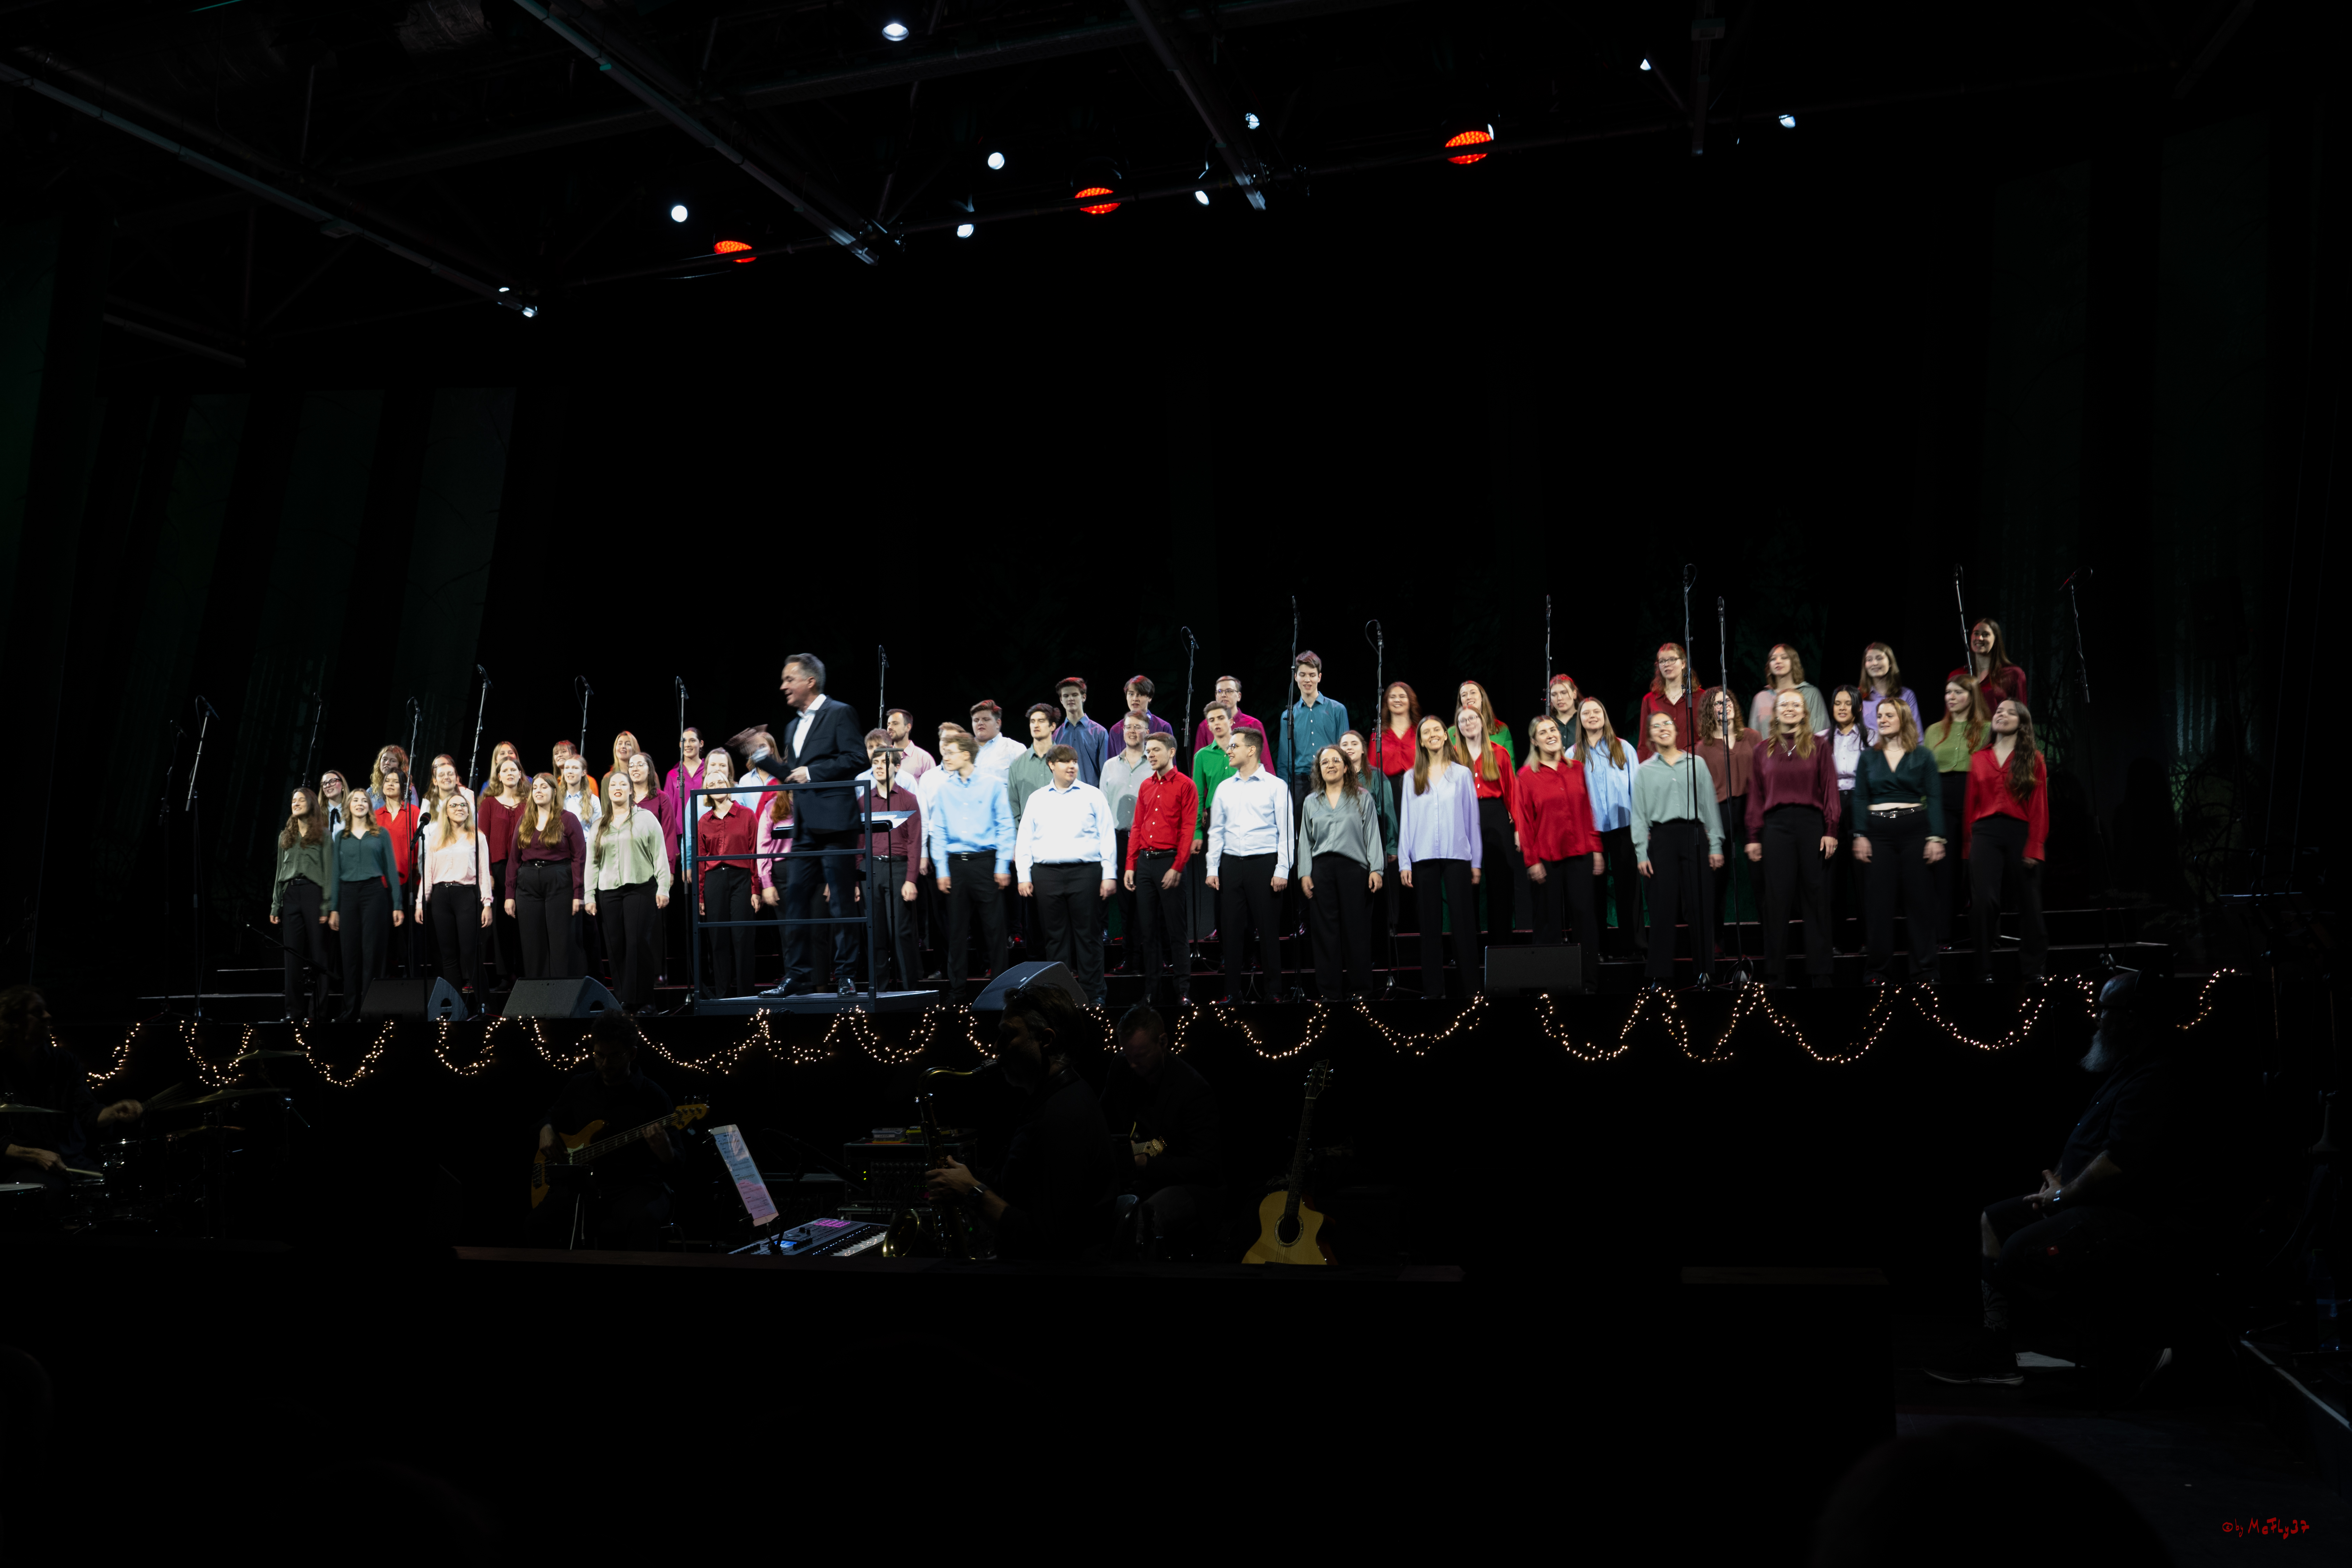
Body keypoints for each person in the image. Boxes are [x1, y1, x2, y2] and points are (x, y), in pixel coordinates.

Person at [1927, 971, 2178, 1389]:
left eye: (2104, 1009)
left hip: (2123, 1213)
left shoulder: (2156, 1074)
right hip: (2081, 1198)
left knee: (2018, 1255)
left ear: (2132, 1017)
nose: (2097, 1018)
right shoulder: (2127, 1068)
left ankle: (2128, 1350)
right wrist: (2059, 1182)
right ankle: (1996, 1350)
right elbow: (2095, 1143)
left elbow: (2120, 1161)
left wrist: (2063, 1194)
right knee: (1995, 1219)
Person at [920, 983, 1122, 1261]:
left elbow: (1048, 1242)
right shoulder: (1056, 1099)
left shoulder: (1061, 1118)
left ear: (1045, 1040)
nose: (996, 1046)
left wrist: (972, 1192)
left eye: (1008, 1035)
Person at [534, 1015, 678, 1251]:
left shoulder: (653, 1097)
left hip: (634, 1185)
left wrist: (666, 1152)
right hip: (583, 1185)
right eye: (599, 1056)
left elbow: (677, 1163)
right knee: (537, 1224)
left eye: (614, 1057)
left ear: (632, 1054)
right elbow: (549, 1116)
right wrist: (546, 1128)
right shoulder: (580, 1086)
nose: (604, 1064)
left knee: (644, 1220)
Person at [2, 987, 142, 1222]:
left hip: (72, 1162)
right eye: (38, 1012)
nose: (48, 1016)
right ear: (14, 1021)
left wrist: (113, 1112)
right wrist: (32, 1154)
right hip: (20, 1167)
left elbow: (87, 1111)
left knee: (124, 1188)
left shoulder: (65, 1062)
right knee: (49, 1195)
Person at [772, 653, 866, 998]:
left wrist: (813, 772)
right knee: (795, 898)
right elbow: (793, 775)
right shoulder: (792, 726)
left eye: (789, 679)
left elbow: (857, 758)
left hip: (837, 824)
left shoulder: (839, 712)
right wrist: (760, 757)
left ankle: (845, 975)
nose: (783, 686)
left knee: (841, 901)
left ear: (809, 681)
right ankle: (796, 975)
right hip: (805, 828)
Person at [1098, 1004, 1222, 1245]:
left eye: (1140, 1056)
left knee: (1142, 1219)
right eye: (1128, 1056)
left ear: (1163, 1042)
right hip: (1140, 1175)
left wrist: (1146, 1162)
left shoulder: (1193, 1090)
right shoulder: (1122, 1067)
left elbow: (1205, 1166)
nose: (1132, 1065)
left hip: (1187, 1184)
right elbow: (1102, 1117)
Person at [1745, 691, 1840, 988]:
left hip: (1812, 825)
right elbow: (1756, 796)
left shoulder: (1819, 746)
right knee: (1776, 900)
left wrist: (1831, 829)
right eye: (1783, 704)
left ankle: (1820, 973)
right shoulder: (1762, 751)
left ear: (1804, 712)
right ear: (1775, 713)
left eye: (1795, 705)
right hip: (1776, 828)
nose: (1789, 708)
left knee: (1816, 898)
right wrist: (1753, 835)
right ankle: (1775, 975)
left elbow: (1830, 790)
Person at [1852, 695, 1947, 986]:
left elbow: (1933, 796)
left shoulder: (1922, 756)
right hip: (1878, 833)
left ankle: (1925, 971)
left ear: (1903, 718)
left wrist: (1936, 836)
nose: (1882, 719)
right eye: (1879, 715)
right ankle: (1878, 972)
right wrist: (1860, 834)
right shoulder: (1869, 756)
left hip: (1915, 832)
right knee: (1879, 905)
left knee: (1919, 902)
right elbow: (1859, 796)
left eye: (1889, 715)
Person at [1015, 745, 1119, 1006]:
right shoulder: (1037, 798)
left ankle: (1094, 994)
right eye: (1064, 762)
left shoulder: (1092, 795)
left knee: (1089, 936)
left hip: (1085, 872)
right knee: (1055, 938)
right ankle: (1059, 996)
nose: (1072, 766)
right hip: (1046, 874)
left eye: (1074, 761)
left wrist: (1109, 874)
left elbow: (1108, 836)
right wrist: (1023, 876)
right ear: (1052, 765)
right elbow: (1024, 838)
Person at [1630, 711, 1725, 989]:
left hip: (1694, 835)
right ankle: (1660, 975)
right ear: (1650, 737)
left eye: (1667, 724)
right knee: (1661, 907)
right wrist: (1640, 852)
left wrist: (1716, 843)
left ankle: (1705, 972)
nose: (1662, 729)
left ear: (1676, 731)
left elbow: (1710, 806)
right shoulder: (1644, 771)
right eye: (1656, 726)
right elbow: (1638, 815)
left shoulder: (1696, 764)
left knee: (1700, 907)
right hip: (1660, 839)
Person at [924, 731, 1015, 1004]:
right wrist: (941, 869)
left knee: (995, 931)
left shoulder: (993, 785)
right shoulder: (944, 788)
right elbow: (937, 830)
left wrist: (1002, 864)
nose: (945, 757)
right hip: (955, 865)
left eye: (950, 752)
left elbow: (1005, 826)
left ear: (966, 754)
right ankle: (956, 992)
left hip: (986, 863)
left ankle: (1001, 993)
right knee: (956, 932)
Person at [1205, 730, 1295, 1005]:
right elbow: (1217, 830)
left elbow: (1286, 831)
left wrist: (1283, 869)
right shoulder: (1224, 787)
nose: (1229, 750)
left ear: (1252, 750)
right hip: (1232, 865)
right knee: (1231, 931)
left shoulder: (1275, 785)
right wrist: (1212, 867)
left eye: (1234, 746)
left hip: (1264, 864)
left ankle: (1273, 992)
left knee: (1268, 931)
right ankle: (1232, 992)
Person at [1964, 699, 2049, 983]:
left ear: (2022, 723)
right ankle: (1983, 968)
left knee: (2029, 901)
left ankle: (2033, 968)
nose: (2002, 714)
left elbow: (2039, 806)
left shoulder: (2033, 758)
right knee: (1983, 902)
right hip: (1985, 833)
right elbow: (1970, 805)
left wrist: (2034, 845)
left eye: (2010, 712)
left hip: (2020, 831)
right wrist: (1968, 845)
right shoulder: (1978, 758)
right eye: (1999, 710)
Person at [1398, 715, 1481, 1001]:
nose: (1432, 734)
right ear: (1420, 740)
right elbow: (1406, 823)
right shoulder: (1412, 777)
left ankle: (1471, 989)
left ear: (1446, 736)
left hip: (1457, 855)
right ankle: (1434, 991)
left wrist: (1476, 861)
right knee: (1430, 925)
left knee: (1462, 923)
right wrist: (1404, 862)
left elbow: (1472, 821)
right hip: (1422, 857)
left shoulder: (1461, 774)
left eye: (1437, 730)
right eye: (1426, 732)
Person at [1517, 716, 1603, 978]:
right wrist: (1532, 861)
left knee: (1584, 917)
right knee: (1548, 921)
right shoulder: (1527, 776)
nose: (1550, 734)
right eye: (1543, 732)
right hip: (1547, 857)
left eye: (1553, 729)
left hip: (1580, 853)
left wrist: (1596, 848)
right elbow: (1524, 821)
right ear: (1534, 741)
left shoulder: (1576, 768)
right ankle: (1549, 981)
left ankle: (1589, 979)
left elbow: (1588, 811)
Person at [585, 770, 673, 1013]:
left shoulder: (646, 818)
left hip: (641, 888)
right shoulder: (600, 824)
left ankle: (644, 1001)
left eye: (623, 784)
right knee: (617, 946)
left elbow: (660, 855)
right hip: (609, 892)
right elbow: (592, 862)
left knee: (637, 943)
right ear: (608, 791)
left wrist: (664, 887)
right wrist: (589, 895)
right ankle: (623, 1000)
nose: (618, 787)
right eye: (614, 784)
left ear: (631, 790)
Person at [1299, 744, 1382, 998]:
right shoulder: (1311, 802)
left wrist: (1376, 869)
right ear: (1319, 770)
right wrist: (1305, 873)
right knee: (1325, 934)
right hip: (1321, 870)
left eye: (1336, 761)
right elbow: (1305, 840)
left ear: (1346, 767)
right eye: (1325, 762)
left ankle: (1360, 990)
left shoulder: (1362, 797)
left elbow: (1372, 836)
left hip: (1353, 870)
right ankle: (1329, 992)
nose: (1331, 765)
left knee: (1356, 931)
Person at [1124, 731, 1198, 1007]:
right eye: (1148, 751)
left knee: (1176, 931)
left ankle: (1183, 990)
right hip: (1145, 862)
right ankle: (1151, 992)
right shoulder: (1145, 786)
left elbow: (1188, 828)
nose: (1150, 755)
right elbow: (1137, 826)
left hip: (1169, 862)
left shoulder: (1185, 785)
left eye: (1155, 750)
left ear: (1171, 752)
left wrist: (1178, 866)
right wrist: (1131, 864)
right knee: (1149, 932)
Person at [852, 734, 923, 993]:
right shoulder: (864, 802)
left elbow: (915, 841)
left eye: (885, 761)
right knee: (877, 933)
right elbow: (859, 844)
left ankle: (910, 990)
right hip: (872, 870)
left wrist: (911, 879)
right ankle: (879, 991)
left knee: (901, 933)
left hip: (899, 869)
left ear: (896, 766)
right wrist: (858, 880)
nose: (879, 766)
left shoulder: (907, 800)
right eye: (876, 762)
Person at [414, 792, 494, 1016]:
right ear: (446, 812)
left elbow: (483, 873)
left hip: (466, 896)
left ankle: (485, 1006)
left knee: (470, 953)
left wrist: (487, 903)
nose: (459, 808)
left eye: (463, 805)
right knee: (448, 956)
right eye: (454, 805)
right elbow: (428, 873)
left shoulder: (477, 837)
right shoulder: (436, 839)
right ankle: (456, 1007)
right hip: (440, 897)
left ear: (469, 811)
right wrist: (421, 902)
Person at [1454, 704, 1522, 965]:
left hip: (1494, 815)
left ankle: (1501, 948)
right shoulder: (1454, 756)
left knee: (1500, 883)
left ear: (1482, 722)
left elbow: (1512, 793)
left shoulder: (1499, 753)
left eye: (1473, 718)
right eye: (1463, 720)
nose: (1469, 723)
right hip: (1463, 818)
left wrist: (1516, 828)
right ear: (1458, 728)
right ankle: (1468, 946)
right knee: (1466, 884)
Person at [1693, 688, 1761, 951]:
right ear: (1710, 711)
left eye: (1728, 701)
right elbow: (1700, 792)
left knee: (1760, 876)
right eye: (1718, 704)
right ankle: (1715, 940)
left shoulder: (1753, 737)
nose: (1725, 706)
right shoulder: (1703, 746)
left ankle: (1770, 938)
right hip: (1719, 812)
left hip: (1752, 808)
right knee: (1716, 880)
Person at [1575, 697, 1643, 957]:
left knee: (1629, 889)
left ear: (1604, 716)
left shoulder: (1624, 748)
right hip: (1590, 832)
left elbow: (1636, 790)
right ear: (1580, 720)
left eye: (1597, 712)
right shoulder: (1572, 754)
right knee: (1594, 892)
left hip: (1623, 827)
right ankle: (1597, 949)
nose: (1592, 716)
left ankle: (1633, 947)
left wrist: (1640, 829)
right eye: (1586, 713)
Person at [328, 791, 402, 1018]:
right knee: (349, 954)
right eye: (355, 800)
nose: (360, 803)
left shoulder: (381, 834)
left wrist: (397, 904)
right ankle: (351, 1009)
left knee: (373, 953)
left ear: (369, 806)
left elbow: (391, 870)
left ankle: (371, 1009)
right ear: (348, 806)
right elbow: (335, 874)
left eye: (364, 800)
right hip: (348, 895)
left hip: (374, 894)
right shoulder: (341, 837)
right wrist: (334, 908)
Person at [1927, 674, 1990, 941]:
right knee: (1944, 869)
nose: (1950, 697)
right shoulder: (1933, 730)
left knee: (1974, 868)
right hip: (1941, 798)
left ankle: (1981, 935)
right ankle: (1943, 936)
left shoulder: (1987, 728)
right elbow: (1925, 773)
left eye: (1957, 692)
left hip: (1973, 796)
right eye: (1947, 692)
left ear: (1972, 696)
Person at [506, 772, 585, 981]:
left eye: (544, 787)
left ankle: (562, 997)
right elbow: (514, 859)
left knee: (561, 942)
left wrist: (579, 894)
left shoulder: (568, 819)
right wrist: (509, 894)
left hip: (559, 881)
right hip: (528, 884)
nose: (538, 791)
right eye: (535, 788)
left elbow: (579, 858)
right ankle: (538, 998)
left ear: (555, 792)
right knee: (533, 944)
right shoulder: (525, 820)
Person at [694, 749, 760, 997]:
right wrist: (700, 896)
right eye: (710, 783)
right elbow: (701, 862)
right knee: (718, 939)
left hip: (741, 878)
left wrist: (756, 888)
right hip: (714, 881)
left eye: (720, 781)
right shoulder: (703, 821)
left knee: (743, 938)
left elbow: (754, 853)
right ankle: (722, 995)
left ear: (729, 785)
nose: (715, 785)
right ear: (706, 791)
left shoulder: (746, 815)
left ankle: (745, 994)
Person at [1339, 729, 1402, 985]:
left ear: (1364, 749)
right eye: (1345, 744)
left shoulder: (1376, 777)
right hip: (1346, 848)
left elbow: (1388, 815)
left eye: (1354, 743)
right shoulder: (1334, 776)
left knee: (1374, 905)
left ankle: (1376, 957)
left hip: (1372, 844)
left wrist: (1391, 847)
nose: (1350, 747)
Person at [268, 785, 335, 1022]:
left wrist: (327, 904)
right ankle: (293, 1012)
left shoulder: (324, 834)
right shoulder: (285, 836)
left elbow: (329, 872)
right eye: (293, 800)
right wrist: (276, 904)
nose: (295, 803)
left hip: (314, 895)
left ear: (312, 804)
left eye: (301, 800)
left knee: (319, 955)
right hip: (291, 895)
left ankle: (318, 1012)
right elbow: (279, 871)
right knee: (292, 956)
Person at [1099, 712, 1154, 970]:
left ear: (1147, 730)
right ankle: (1130, 957)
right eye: (1128, 727)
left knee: (1151, 903)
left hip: (1149, 842)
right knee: (1125, 904)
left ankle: (1153, 957)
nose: (1132, 731)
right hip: (1119, 840)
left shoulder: (1155, 762)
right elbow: (1101, 807)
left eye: (1138, 727)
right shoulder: (1110, 765)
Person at [1189, 702, 1240, 939]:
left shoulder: (1242, 748)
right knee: (1219, 876)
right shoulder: (1202, 755)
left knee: (1241, 875)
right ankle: (1222, 930)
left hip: (1243, 817)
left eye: (1221, 718)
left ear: (1232, 721)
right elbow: (1198, 796)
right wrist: (1198, 834)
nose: (1217, 723)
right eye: (1211, 720)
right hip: (1215, 821)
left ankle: (1248, 929)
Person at [1273, 650, 1351, 804]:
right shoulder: (1287, 716)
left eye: (1312, 675)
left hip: (1331, 779)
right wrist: (1284, 792)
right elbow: (1284, 761)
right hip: (1300, 783)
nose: (1307, 680)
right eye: (1302, 675)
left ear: (1319, 677)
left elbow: (1345, 752)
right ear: (1296, 677)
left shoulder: (1337, 710)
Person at [1825, 684, 1870, 951]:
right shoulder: (1821, 738)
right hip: (1831, 805)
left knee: (1864, 878)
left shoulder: (1871, 737)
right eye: (1837, 703)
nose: (1842, 708)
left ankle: (1868, 940)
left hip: (1861, 803)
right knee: (1833, 878)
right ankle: (1835, 942)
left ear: (1858, 707)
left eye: (1847, 703)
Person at [479, 756, 527, 988]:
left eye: (514, 769)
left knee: (522, 919)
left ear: (521, 774)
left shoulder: (529, 803)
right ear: (498, 776)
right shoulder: (488, 803)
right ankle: (503, 974)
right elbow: (482, 840)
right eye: (505, 770)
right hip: (497, 868)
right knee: (500, 923)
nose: (509, 773)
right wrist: (487, 871)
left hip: (523, 867)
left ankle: (522, 971)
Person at [374, 758, 419, 977]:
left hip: (406, 883)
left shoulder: (414, 813)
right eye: (387, 781)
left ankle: (411, 983)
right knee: (384, 938)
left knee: (406, 939)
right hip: (380, 885)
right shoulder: (375, 818)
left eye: (395, 782)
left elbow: (419, 849)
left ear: (404, 788)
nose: (390, 784)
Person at [1748, 643, 1831, 735]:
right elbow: (1752, 739)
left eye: (1784, 658)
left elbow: (1821, 734)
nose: (1778, 661)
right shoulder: (1761, 698)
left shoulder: (1811, 694)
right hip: (1767, 749)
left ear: (1794, 662)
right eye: (1773, 659)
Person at [1635, 642, 1699, 759]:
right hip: (1659, 765)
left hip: (1691, 764)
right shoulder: (1650, 700)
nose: (1667, 665)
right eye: (1662, 661)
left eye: (1672, 660)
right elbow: (1644, 743)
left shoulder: (1700, 697)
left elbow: (1707, 738)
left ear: (1683, 664)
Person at [1952, 617, 2030, 713]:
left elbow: (2021, 716)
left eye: (1986, 635)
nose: (1980, 638)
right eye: (1976, 634)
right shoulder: (1957, 676)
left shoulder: (2014, 674)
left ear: (1996, 640)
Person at [1051, 676, 1109, 788]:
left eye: (1075, 695)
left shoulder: (1100, 733)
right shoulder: (1055, 736)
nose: (1070, 699)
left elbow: (1106, 773)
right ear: (1061, 700)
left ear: (1084, 697)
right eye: (1066, 696)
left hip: (1092, 797)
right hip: (1064, 797)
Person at [1008, 703, 1060, 827]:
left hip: (1061, 834)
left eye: (1041, 721)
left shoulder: (1066, 760)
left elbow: (1076, 799)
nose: (1036, 725)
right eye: (1033, 721)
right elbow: (1013, 807)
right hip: (1029, 836)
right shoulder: (1017, 765)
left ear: (1052, 726)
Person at [1191, 674, 1268, 754]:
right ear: (1216, 696)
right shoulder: (1205, 726)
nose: (1224, 695)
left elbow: (1265, 762)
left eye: (1229, 691)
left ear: (1239, 696)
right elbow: (1199, 760)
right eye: (1220, 691)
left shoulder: (1254, 725)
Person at [1858, 642, 1923, 735]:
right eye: (1869, 660)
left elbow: (1917, 734)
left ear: (1890, 663)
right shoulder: (1857, 696)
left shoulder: (1907, 695)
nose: (1875, 663)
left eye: (1880, 658)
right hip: (1867, 749)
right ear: (1865, 666)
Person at [1444, 679, 1513, 761]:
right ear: (1461, 702)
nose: (1469, 697)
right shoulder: (1452, 733)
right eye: (1464, 695)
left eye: (1473, 693)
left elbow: (1510, 765)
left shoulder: (1502, 729)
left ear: (1482, 698)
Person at [1368, 681, 1421, 782]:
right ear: (1387, 702)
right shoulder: (1378, 735)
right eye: (1392, 697)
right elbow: (1372, 771)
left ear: (1411, 701)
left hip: (1419, 786)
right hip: (1388, 790)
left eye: (1402, 696)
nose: (1397, 700)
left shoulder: (1421, 732)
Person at [1115, 676, 1174, 762]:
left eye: (1140, 694)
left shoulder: (1164, 727)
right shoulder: (1116, 730)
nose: (1135, 699)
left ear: (1150, 698)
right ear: (1126, 697)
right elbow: (1112, 767)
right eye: (1131, 694)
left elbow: (1170, 766)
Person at [663, 727, 711, 830]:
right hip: (681, 832)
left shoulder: (710, 770)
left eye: (693, 741)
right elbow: (668, 810)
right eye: (684, 741)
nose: (688, 745)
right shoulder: (673, 775)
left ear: (701, 744)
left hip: (708, 828)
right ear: (680, 745)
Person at [967, 699, 1026, 778]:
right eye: (976, 720)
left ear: (998, 724)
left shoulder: (1015, 749)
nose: (980, 723)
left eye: (986, 720)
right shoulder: (964, 749)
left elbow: (1025, 783)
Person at [882, 708, 934, 781]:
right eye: (889, 724)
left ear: (908, 727)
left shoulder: (924, 758)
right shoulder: (885, 756)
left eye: (895, 724)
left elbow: (932, 788)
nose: (890, 728)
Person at [475, 740, 520, 804]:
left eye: (511, 753)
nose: (507, 756)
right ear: (496, 760)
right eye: (502, 754)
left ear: (516, 757)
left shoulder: (529, 781)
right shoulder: (488, 785)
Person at [318, 769, 350, 837]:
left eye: (332, 781)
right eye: (325, 784)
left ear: (343, 785)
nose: (328, 786)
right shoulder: (317, 813)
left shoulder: (352, 812)